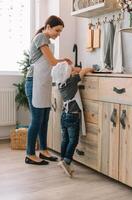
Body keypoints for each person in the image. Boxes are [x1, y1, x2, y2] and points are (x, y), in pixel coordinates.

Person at [25, 15, 72, 165]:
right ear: (48, 27)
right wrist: (65, 62)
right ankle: (30, 154)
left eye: (60, 31)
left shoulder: (47, 41)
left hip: (43, 83)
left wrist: (63, 61)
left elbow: (50, 62)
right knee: (37, 120)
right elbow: (52, 62)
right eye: (57, 30)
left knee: (44, 120)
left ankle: (44, 151)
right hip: (34, 82)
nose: (58, 34)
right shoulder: (41, 38)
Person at [51, 62, 94, 177]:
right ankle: (67, 161)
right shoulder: (72, 81)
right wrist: (92, 68)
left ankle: (62, 159)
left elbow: (75, 72)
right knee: (73, 140)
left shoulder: (61, 84)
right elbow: (84, 71)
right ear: (68, 73)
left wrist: (71, 70)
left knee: (65, 139)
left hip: (64, 115)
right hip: (72, 116)